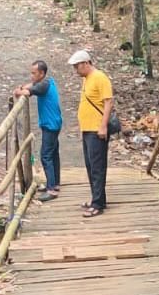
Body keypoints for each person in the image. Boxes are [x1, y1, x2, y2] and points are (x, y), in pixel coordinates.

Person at [68, 49, 113, 218]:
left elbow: (108, 102)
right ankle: (97, 198)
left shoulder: (100, 78)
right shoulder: (87, 79)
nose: (76, 71)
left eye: (77, 67)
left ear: (86, 64)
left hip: (96, 130)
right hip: (87, 129)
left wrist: (103, 126)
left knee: (97, 167)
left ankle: (98, 204)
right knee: (90, 165)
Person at [13, 59, 63, 201]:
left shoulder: (43, 86)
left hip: (50, 125)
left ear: (41, 73)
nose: (31, 76)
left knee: (45, 155)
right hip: (54, 123)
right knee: (53, 153)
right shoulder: (48, 81)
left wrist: (19, 91)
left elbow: (29, 91)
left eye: (34, 73)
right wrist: (24, 86)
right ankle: (55, 182)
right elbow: (32, 85)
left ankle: (51, 189)